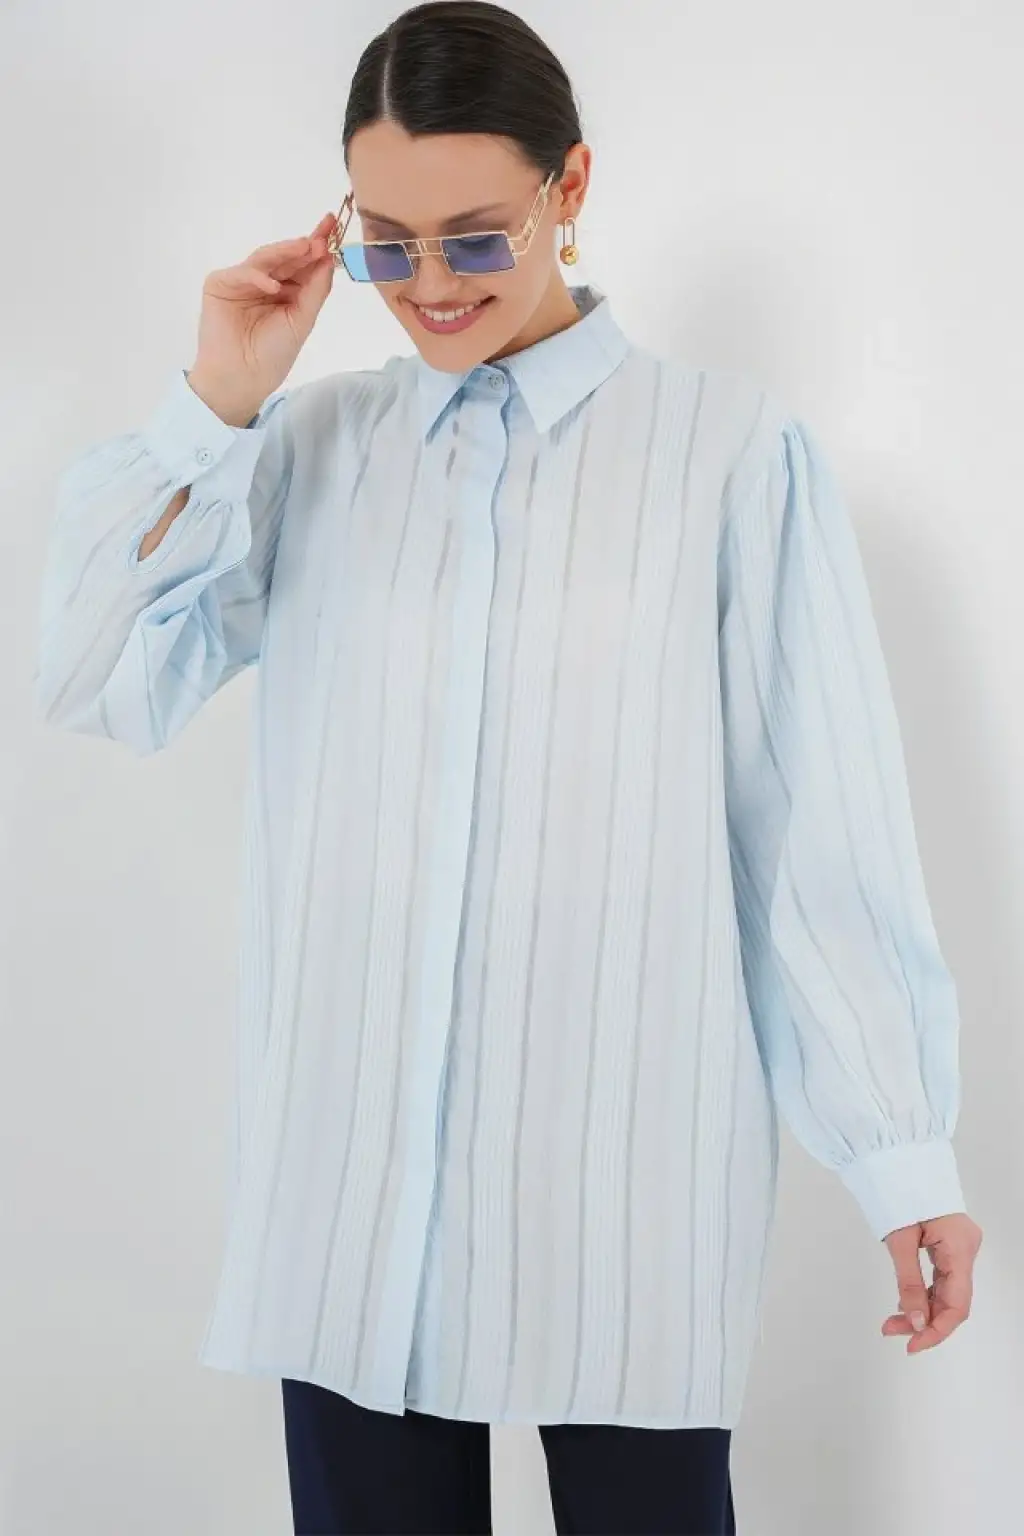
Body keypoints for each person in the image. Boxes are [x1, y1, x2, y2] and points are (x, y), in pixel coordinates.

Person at [34, 2, 982, 1532]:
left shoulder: (726, 456)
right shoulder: (306, 450)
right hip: (352, 1201)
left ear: (571, 186)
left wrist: (900, 1154)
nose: (429, 286)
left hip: (620, 1186)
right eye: (384, 243)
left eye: (474, 237)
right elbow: (91, 675)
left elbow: (812, 828)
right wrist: (215, 402)